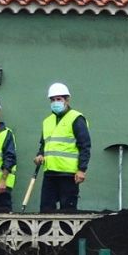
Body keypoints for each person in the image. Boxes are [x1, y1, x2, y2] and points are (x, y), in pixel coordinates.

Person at [34, 82, 90, 212]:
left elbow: (85, 146)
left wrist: (82, 169)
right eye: (52, 100)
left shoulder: (76, 118)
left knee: (67, 211)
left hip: (68, 174)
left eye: (58, 99)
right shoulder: (47, 121)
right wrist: (40, 155)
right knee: (46, 210)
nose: (55, 102)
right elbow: (44, 144)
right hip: (50, 173)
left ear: (67, 100)